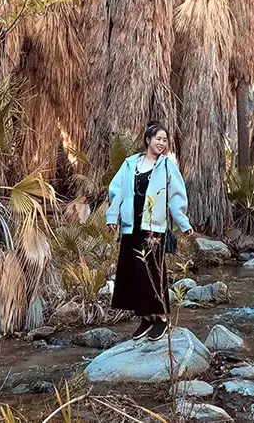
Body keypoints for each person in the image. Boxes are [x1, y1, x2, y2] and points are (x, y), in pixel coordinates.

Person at [106, 121, 193, 342]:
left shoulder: (166, 166)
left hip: (154, 228)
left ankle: (162, 318)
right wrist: (111, 216)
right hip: (130, 226)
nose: (162, 143)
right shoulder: (129, 164)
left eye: (165, 140)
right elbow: (116, 191)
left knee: (152, 271)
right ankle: (145, 317)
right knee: (132, 272)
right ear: (148, 140)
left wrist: (183, 222)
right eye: (158, 139)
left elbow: (176, 195)